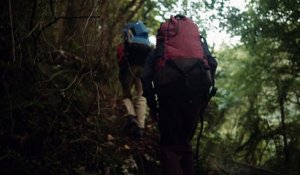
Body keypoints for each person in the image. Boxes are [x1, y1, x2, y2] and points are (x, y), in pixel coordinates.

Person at [142, 15, 216, 175]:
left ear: (163, 36)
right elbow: (212, 64)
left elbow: (145, 77)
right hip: (196, 95)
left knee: (169, 146)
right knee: (184, 144)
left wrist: (153, 106)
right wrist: (204, 100)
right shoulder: (200, 48)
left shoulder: (159, 51)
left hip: (169, 97)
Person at [117, 21, 152, 139]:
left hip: (129, 66)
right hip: (143, 67)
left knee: (126, 94)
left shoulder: (128, 34)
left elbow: (120, 54)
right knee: (141, 95)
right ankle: (141, 127)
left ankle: (131, 116)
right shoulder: (146, 41)